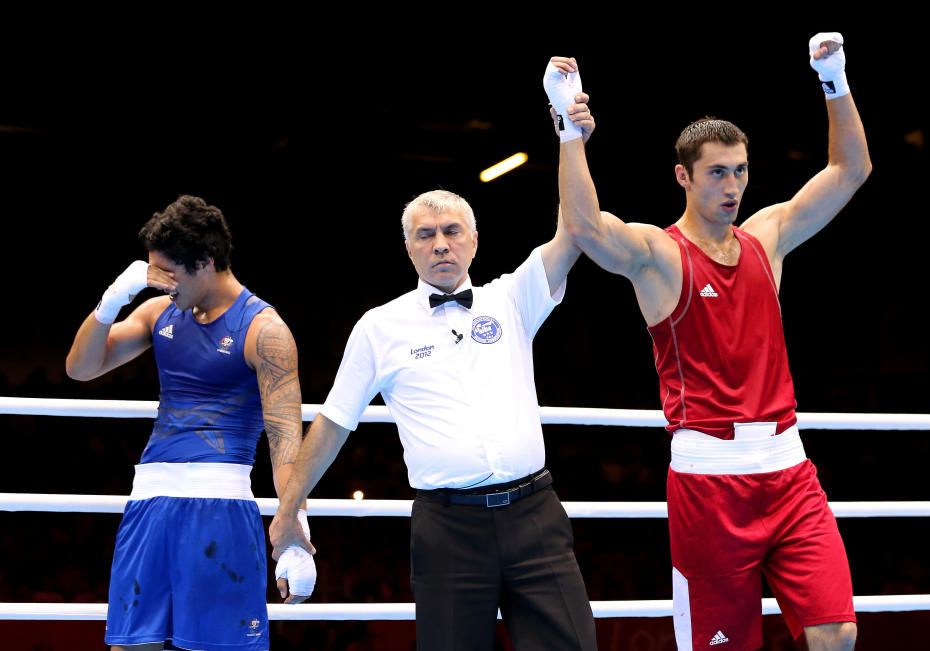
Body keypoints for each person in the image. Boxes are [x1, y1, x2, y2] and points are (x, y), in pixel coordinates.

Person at [546, 33, 870, 651]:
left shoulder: (767, 237)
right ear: (683, 177)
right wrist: (568, 129)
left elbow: (850, 170)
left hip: (789, 469)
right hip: (710, 482)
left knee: (837, 632)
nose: (733, 185)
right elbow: (585, 227)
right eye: (717, 173)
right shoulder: (660, 256)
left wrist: (835, 78)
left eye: (740, 170)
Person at [270, 187, 601, 649]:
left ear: (474, 240)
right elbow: (333, 421)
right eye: (426, 235)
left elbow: (576, 230)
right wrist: (288, 509)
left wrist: (569, 135)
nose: (440, 244)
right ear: (409, 248)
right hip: (448, 530)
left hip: (534, 516)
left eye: (451, 231)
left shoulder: (512, 297)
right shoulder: (378, 327)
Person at [65, 195, 315, 651]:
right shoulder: (160, 311)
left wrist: (295, 529)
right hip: (148, 504)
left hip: (218, 508)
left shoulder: (264, 330)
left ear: (206, 262)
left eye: (168, 273)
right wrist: (112, 300)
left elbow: (285, 441)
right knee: (131, 646)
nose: (158, 283)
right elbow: (80, 368)